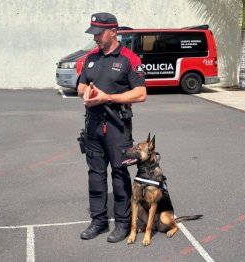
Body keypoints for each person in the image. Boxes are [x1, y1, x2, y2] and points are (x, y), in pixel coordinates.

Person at [77, 12, 147, 243]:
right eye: (93, 33)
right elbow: (81, 86)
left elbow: (140, 93)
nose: (95, 37)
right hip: (93, 127)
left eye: (98, 33)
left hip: (117, 126)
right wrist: (86, 92)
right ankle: (98, 221)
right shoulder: (91, 58)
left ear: (113, 32)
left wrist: (108, 97)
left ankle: (123, 223)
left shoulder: (129, 58)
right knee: (95, 176)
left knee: (119, 174)